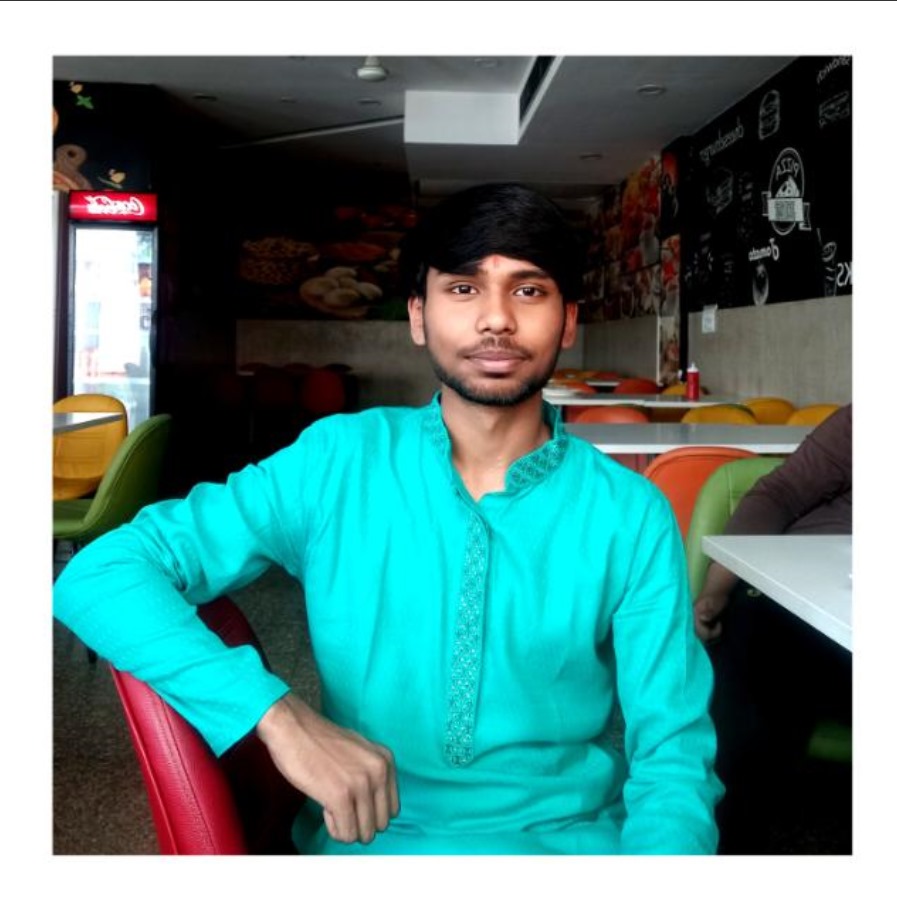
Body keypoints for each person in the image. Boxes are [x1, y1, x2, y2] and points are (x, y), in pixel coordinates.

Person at [54, 183, 722, 855]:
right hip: (370, 844)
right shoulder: (337, 460)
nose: (496, 319)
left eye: (528, 290)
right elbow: (100, 572)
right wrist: (275, 713)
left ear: (568, 320)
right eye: (462, 289)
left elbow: (672, 752)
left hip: (571, 846)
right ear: (417, 315)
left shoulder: (630, 512)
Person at [693, 403, 852, 853]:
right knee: (756, 663)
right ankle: (727, 843)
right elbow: (779, 494)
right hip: (800, 601)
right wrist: (716, 591)